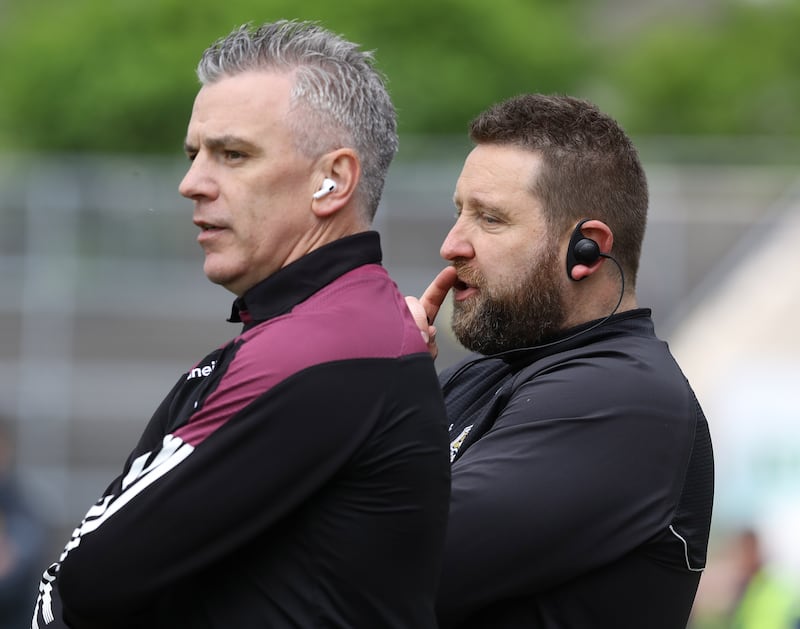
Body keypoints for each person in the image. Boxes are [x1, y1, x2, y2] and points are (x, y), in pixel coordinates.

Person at [31, 20, 450, 629]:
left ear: (332, 180)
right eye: (194, 155)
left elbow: (87, 583)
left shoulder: (323, 347)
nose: (191, 184)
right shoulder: (328, 329)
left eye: (233, 155)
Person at [406, 93, 715, 628]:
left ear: (586, 250)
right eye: (460, 213)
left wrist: (372, 387)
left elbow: (388, 566)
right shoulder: (478, 378)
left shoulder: (625, 397)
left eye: (490, 219)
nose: (452, 245)